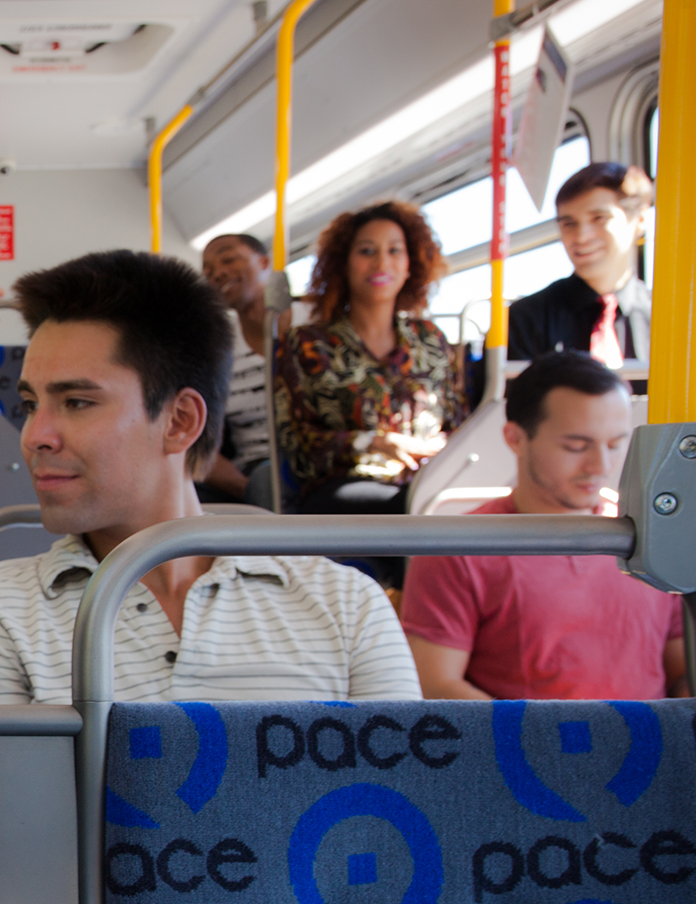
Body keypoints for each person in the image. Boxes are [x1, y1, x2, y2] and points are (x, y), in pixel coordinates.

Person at [0, 249, 419, 705]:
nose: (34, 436)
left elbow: (400, 790)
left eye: (77, 403)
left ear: (180, 421)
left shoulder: (347, 606)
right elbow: (2, 791)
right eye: (29, 405)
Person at [402, 353, 687, 700]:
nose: (601, 465)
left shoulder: (655, 539)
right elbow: (436, 684)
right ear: (516, 439)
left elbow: (681, 671)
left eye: (615, 444)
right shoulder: (458, 548)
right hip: (518, 752)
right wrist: (544, 748)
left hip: (653, 749)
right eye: (576, 446)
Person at [274, 200, 469, 518]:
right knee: (415, 509)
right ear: (344, 263)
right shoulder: (308, 344)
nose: (382, 262)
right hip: (347, 488)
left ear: (410, 264)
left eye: (394, 251)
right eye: (367, 251)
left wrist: (439, 449)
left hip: (430, 482)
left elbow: (460, 425)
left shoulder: (431, 339)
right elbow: (299, 449)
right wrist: (373, 443)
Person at [197, 232, 305, 509]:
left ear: (265, 261)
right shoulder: (215, 346)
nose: (218, 273)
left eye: (229, 259)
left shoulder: (316, 318)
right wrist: (243, 486)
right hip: (258, 468)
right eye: (208, 271)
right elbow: (196, 440)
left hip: (323, 455)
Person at [509, 162, 653, 371]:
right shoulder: (525, 319)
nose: (582, 237)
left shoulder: (667, 317)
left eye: (599, 218)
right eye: (569, 224)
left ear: (639, 221)